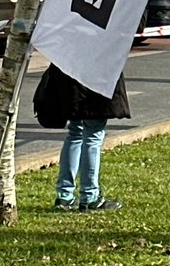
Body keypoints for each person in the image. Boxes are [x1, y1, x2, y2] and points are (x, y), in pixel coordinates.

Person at [33, 62, 130, 211]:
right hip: (98, 76)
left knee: (75, 133)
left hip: (69, 75)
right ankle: (90, 196)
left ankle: (64, 196)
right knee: (93, 136)